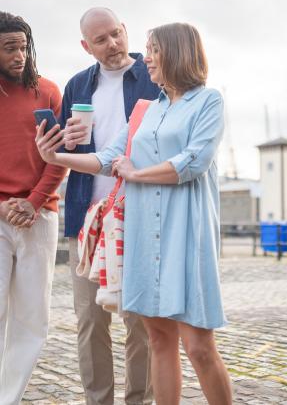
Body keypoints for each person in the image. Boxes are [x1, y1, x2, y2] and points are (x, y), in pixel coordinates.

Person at [36, 22, 233, 405]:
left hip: (186, 234)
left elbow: (193, 161)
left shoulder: (208, 101)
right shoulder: (146, 109)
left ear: (176, 53)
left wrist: (137, 173)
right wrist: (53, 156)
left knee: (198, 347)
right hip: (145, 236)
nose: (148, 59)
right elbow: (108, 158)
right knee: (159, 340)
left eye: (154, 50)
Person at [59, 7, 160, 405]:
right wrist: (66, 139)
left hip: (139, 214)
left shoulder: (155, 77)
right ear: (87, 46)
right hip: (87, 216)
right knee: (90, 322)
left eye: (116, 33)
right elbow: (67, 149)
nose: (113, 44)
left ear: (126, 30)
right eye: (101, 40)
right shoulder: (77, 87)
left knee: (141, 323)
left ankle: (139, 400)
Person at [0, 11, 67, 404]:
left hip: (39, 216)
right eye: (9, 48)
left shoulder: (49, 92)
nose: (19, 55)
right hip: (0, 214)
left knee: (31, 318)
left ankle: (8, 398)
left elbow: (59, 157)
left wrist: (34, 201)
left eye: (23, 47)